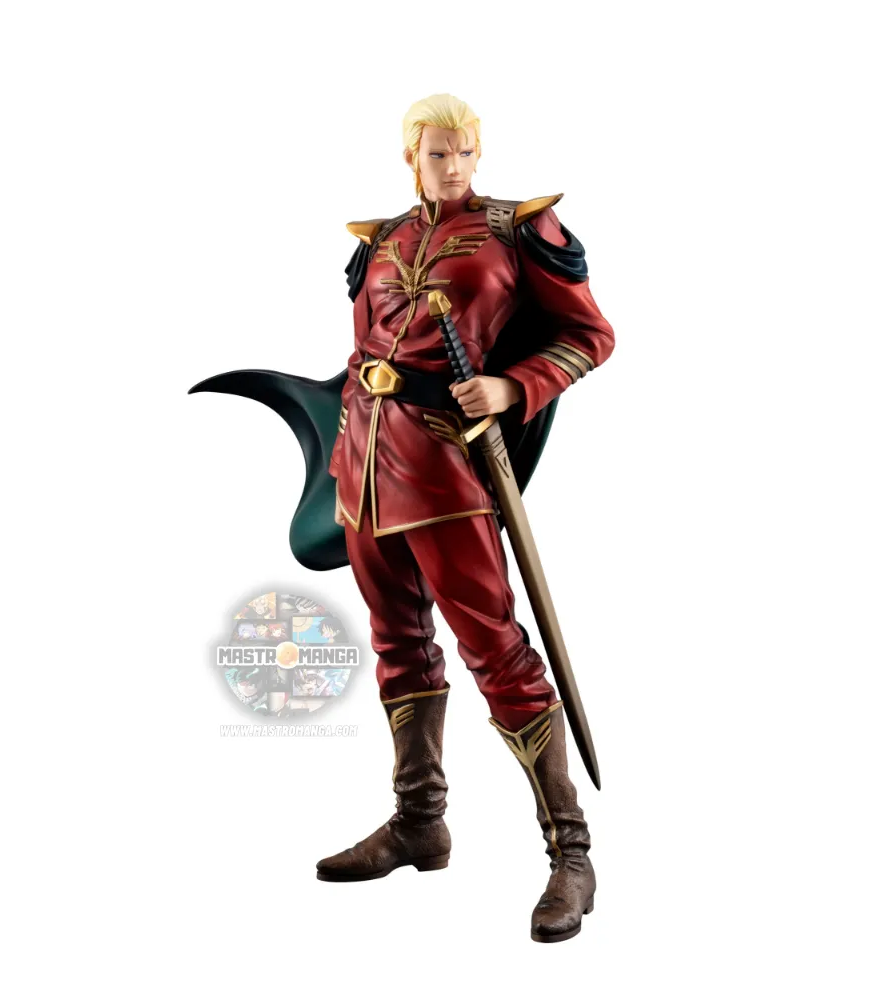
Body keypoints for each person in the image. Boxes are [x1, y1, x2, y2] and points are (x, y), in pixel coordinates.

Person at [315, 93, 615, 944]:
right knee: (397, 641)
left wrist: (514, 387)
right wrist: (345, 438)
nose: (454, 168)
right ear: (411, 157)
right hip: (363, 464)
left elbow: (590, 335)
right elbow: (360, 351)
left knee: (496, 650)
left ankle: (571, 853)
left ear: (478, 154)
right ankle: (420, 821)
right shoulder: (379, 240)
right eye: (438, 154)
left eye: (465, 153)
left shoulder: (520, 231)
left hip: (445, 469)